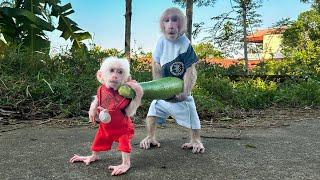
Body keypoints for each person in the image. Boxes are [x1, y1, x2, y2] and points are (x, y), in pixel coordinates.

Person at [139, 7, 205, 153]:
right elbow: (155, 65)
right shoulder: (161, 42)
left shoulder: (185, 43)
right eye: (166, 20)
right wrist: (157, 88)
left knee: (192, 114)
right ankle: (150, 136)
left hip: (180, 90)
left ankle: (195, 139)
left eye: (175, 20)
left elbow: (190, 70)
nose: (170, 25)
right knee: (152, 112)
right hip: (164, 88)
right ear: (162, 25)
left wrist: (186, 91)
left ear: (181, 24)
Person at [69, 57, 143, 176]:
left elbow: (130, 112)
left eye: (120, 72)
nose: (115, 75)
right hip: (106, 126)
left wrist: (138, 93)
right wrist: (93, 108)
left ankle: (126, 163)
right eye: (112, 70)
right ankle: (94, 156)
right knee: (99, 138)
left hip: (122, 127)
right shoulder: (101, 89)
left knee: (124, 142)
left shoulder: (126, 95)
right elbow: (98, 99)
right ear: (101, 75)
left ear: (126, 79)